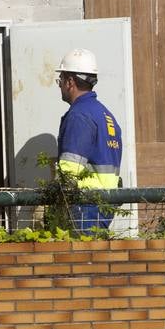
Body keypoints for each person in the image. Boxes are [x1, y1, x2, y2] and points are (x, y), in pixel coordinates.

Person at [54, 48, 123, 234]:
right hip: (104, 205)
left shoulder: (79, 115)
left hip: (84, 205)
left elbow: (69, 171)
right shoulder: (105, 114)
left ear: (70, 82)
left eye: (60, 80)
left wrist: (53, 200)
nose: (59, 85)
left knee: (80, 260)